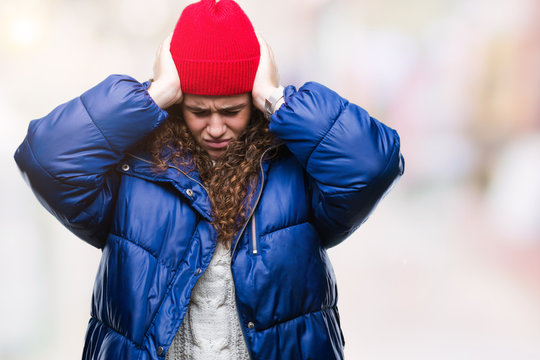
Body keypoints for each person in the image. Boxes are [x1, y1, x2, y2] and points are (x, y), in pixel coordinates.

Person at [14, 0, 404, 359]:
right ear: (178, 103)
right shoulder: (135, 170)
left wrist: (276, 98)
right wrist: (151, 96)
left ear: (252, 104)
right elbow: (47, 157)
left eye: (232, 110)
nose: (215, 128)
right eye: (199, 110)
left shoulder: (294, 167)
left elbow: (372, 163)